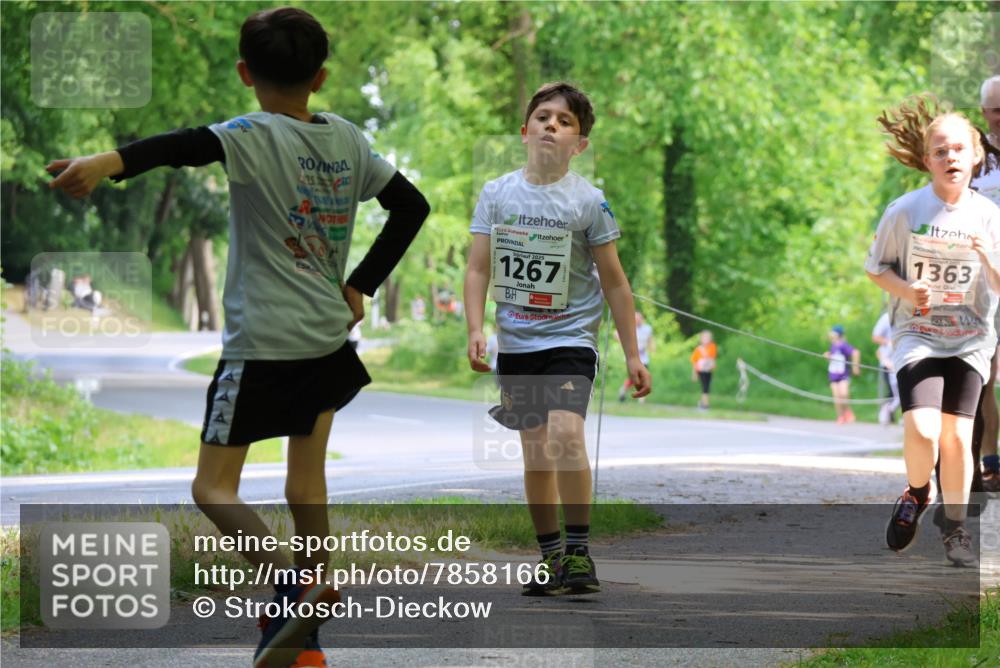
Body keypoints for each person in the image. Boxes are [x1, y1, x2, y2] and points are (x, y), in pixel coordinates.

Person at [47, 7, 430, 665]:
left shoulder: (251, 134)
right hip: (327, 343)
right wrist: (361, 284)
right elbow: (411, 206)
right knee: (305, 487)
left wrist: (105, 161)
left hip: (260, 346)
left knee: (213, 489)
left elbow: (181, 145)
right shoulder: (346, 139)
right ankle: (304, 641)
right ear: (322, 76)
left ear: (245, 73)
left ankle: (292, 586)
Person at [464, 81, 651, 597]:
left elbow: (615, 281)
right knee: (536, 454)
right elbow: (478, 267)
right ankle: (548, 557)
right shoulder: (497, 193)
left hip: (570, 340)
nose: (552, 125)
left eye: (565, 121)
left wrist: (635, 354)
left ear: (579, 144)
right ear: (524, 131)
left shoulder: (588, 201)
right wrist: (476, 328)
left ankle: (579, 553)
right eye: (543, 117)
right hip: (517, 344)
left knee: (566, 437)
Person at [868, 96, 1000, 567]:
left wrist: (987, 257)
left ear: (975, 157)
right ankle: (918, 492)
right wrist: (907, 289)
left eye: (959, 150)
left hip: (970, 339)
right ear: (928, 161)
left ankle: (957, 528)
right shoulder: (905, 211)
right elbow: (875, 268)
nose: (951, 158)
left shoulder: (989, 216)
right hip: (918, 334)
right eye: (941, 151)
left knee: (957, 438)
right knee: (923, 430)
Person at [824, 325, 861, 424]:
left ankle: (847, 411)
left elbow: (855, 352)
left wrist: (855, 367)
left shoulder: (843, 345)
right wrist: (828, 356)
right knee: (836, 397)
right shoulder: (833, 345)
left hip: (843, 375)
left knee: (843, 394)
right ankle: (840, 416)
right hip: (833, 375)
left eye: (832, 332)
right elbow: (834, 359)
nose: (830, 334)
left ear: (837, 334)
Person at [618, 312, 654, 403]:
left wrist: (652, 347)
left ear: (641, 319)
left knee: (644, 377)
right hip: (631, 358)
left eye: (638, 319)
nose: (636, 320)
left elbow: (650, 339)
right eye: (635, 319)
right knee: (633, 378)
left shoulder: (647, 328)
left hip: (643, 358)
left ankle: (641, 398)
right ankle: (623, 390)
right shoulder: (630, 327)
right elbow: (616, 333)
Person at [872, 311, 901, 425]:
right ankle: (888, 413)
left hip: (903, 363)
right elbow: (878, 349)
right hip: (890, 366)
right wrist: (886, 362)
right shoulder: (887, 318)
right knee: (893, 393)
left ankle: (894, 414)